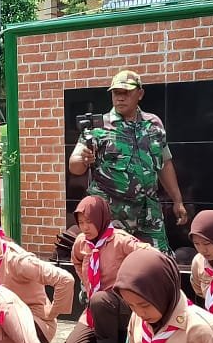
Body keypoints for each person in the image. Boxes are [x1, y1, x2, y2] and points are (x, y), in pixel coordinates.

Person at [67, 70, 187, 252]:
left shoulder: (153, 124)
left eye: (126, 93)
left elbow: (164, 163)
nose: (120, 98)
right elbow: (74, 165)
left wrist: (177, 200)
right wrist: (83, 159)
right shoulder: (99, 127)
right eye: (116, 93)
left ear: (140, 94)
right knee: (112, 266)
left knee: (157, 264)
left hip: (148, 213)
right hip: (112, 214)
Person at [0, 211, 73, 343]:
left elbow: (65, 279)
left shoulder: (16, 260)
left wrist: (52, 313)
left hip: (34, 324)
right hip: (2, 321)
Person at [64, 196, 149, 343]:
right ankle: (115, 337)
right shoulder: (81, 242)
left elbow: (148, 255)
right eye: (80, 222)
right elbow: (77, 261)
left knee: (100, 299)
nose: (84, 227)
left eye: (89, 221)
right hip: (96, 306)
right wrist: (86, 281)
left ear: (100, 218)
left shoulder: (120, 240)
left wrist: (132, 283)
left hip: (122, 305)